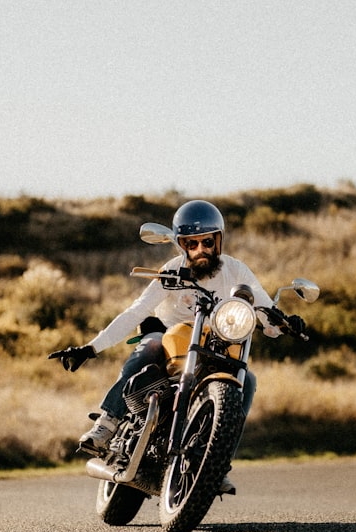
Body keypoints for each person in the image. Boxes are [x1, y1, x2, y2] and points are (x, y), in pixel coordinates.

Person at [49, 200, 303, 482]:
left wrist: (284, 321)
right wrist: (91, 347)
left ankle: (218, 461)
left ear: (218, 240)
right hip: (170, 337)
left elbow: (265, 310)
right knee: (153, 343)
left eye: (207, 242)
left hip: (215, 344)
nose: (200, 251)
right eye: (191, 244)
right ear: (181, 245)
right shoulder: (171, 271)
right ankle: (108, 421)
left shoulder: (237, 271)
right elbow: (137, 310)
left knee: (250, 381)